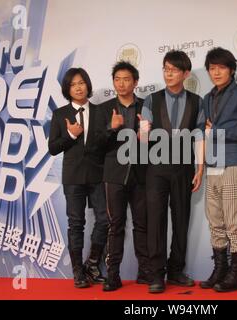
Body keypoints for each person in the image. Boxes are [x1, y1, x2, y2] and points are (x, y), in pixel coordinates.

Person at [140, 50, 204, 293]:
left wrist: (200, 167)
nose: (168, 73)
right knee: (155, 220)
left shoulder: (197, 101)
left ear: (185, 73)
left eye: (174, 69)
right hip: (156, 168)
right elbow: (144, 139)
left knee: (181, 218)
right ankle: (156, 275)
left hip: (184, 168)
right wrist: (142, 133)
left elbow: (199, 135)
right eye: (166, 68)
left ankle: (176, 270)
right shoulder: (151, 100)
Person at [199, 47, 237, 292]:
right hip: (212, 164)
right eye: (212, 68)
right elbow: (203, 131)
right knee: (215, 221)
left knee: (234, 222)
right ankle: (220, 269)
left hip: (233, 163)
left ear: (231, 70)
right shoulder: (207, 98)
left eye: (221, 67)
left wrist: (218, 133)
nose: (216, 72)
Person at [48, 68, 108, 288]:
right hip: (73, 177)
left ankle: (92, 263)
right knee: (76, 224)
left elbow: (106, 144)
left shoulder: (101, 112)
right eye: (74, 84)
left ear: (88, 84)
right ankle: (77, 272)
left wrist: (113, 131)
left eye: (82, 82)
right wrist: (72, 135)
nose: (79, 87)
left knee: (104, 219)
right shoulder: (59, 114)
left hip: (98, 175)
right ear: (68, 89)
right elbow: (53, 148)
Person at [94, 61, 151, 291]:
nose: (121, 83)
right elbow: (96, 145)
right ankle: (113, 275)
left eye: (126, 79)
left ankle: (145, 272)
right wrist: (112, 128)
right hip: (114, 175)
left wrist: (147, 138)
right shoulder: (104, 109)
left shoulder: (148, 107)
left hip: (141, 174)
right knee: (115, 225)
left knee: (142, 225)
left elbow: (157, 142)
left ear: (135, 82)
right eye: (117, 79)